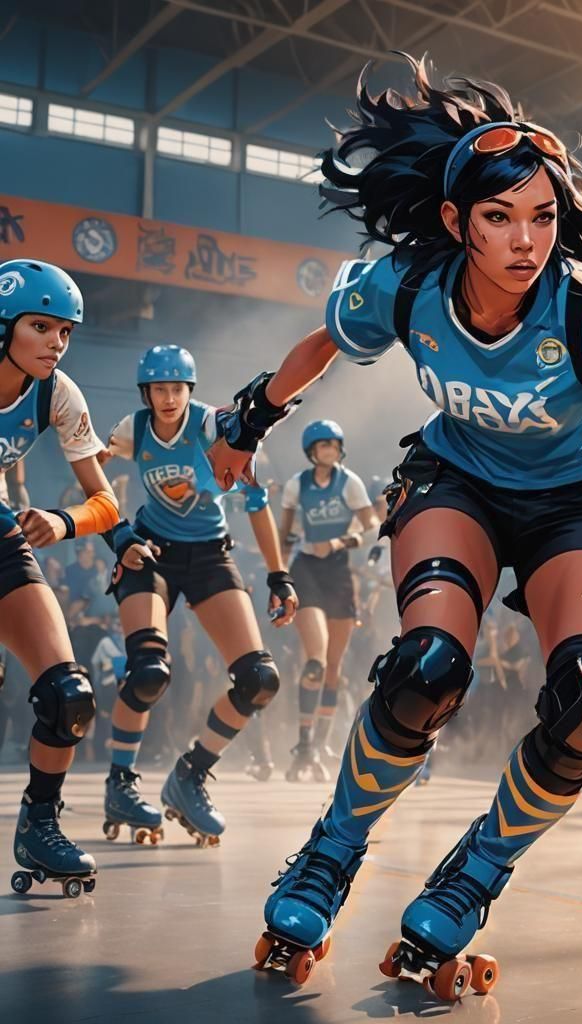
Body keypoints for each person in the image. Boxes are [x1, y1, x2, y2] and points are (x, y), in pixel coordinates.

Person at [209, 56, 582, 992]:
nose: (527, 241)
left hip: (575, 503)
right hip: (458, 482)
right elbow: (325, 339)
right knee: (426, 672)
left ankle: (475, 871)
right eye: (499, 218)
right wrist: (252, 415)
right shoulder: (407, 283)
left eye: (543, 217)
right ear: (456, 222)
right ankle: (330, 853)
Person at [100, 344, 297, 846]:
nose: (168, 399)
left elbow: (256, 502)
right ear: (146, 394)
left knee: (259, 680)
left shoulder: (213, 426)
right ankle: (120, 783)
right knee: (148, 672)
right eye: (159, 390)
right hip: (151, 552)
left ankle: (189, 774)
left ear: (190, 391)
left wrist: (278, 576)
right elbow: (91, 467)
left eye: (177, 389)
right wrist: (118, 531)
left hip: (210, 554)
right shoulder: (134, 428)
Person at [0, 258, 122, 897]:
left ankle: (39, 825)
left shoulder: (57, 392)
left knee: (68, 695)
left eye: (65, 331)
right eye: (42, 326)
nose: (56, 342)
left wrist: (63, 518)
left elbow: (106, 502)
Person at [279, 419, 377, 781]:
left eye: (335, 445)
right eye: (324, 446)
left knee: (334, 668)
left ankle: (316, 749)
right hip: (306, 570)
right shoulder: (296, 485)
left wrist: (339, 542)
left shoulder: (350, 482)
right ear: (311, 451)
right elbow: (284, 534)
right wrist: (279, 579)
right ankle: (303, 744)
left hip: (339, 572)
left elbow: (370, 529)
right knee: (315, 662)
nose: (331, 451)